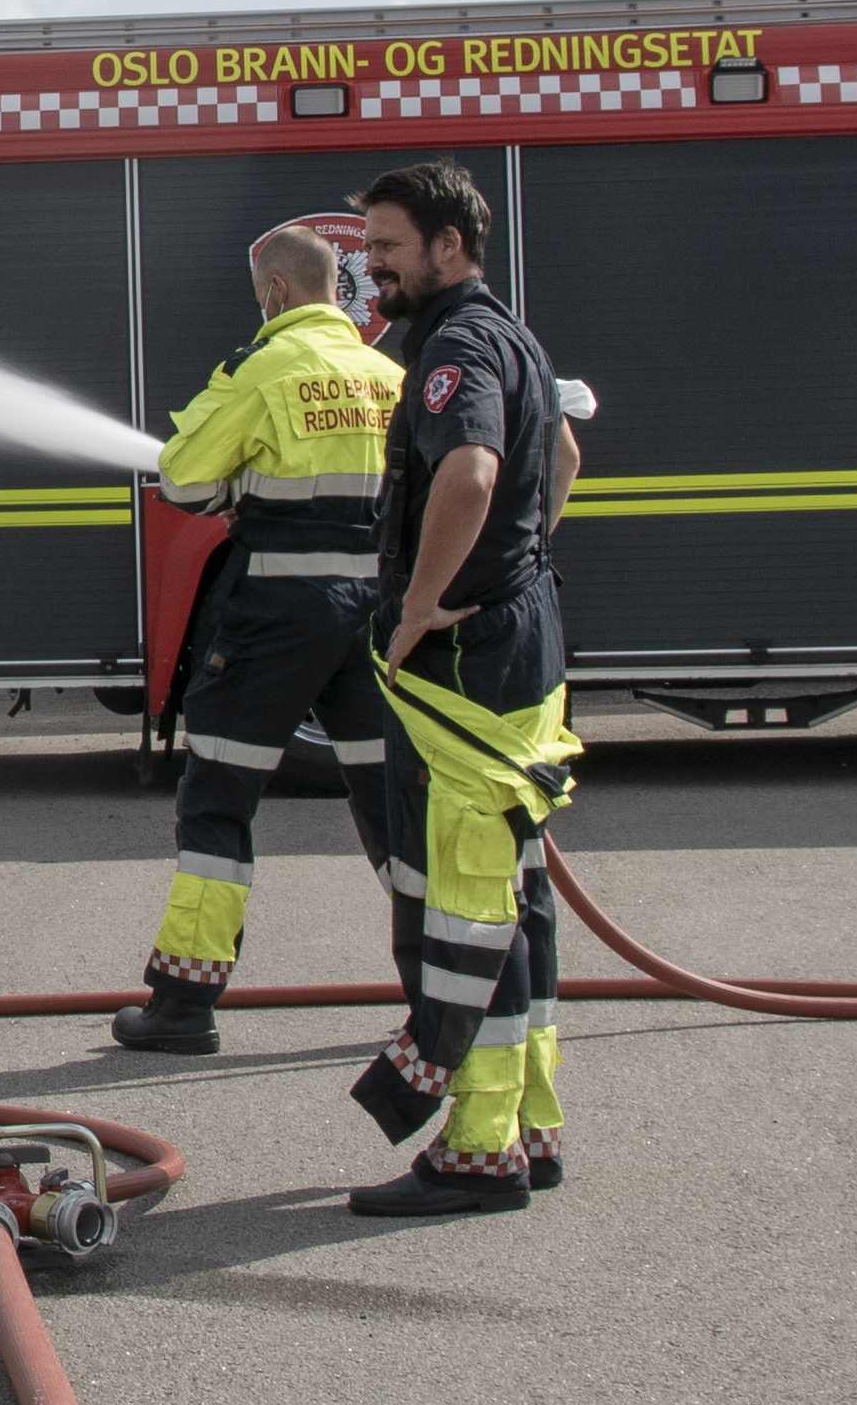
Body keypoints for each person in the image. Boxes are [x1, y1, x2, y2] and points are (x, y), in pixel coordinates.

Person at [341, 159, 584, 1218]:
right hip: (518, 642)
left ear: (448, 246)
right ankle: (528, 1125)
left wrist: (421, 602)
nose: (373, 269)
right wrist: (515, 564)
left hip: (461, 667)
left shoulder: (454, 345)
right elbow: (564, 451)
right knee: (516, 901)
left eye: (388, 248)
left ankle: (479, 1152)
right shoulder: (513, 333)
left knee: (457, 909)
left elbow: (473, 471)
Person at [111, 219, 404, 1055]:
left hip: (277, 610)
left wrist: (236, 486)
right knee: (391, 799)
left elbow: (183, 476)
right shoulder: (388, 373)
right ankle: (439, 986)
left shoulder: (262, 368)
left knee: (219, 799)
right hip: (376, 614)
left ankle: (184, 1005)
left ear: (276, 291)